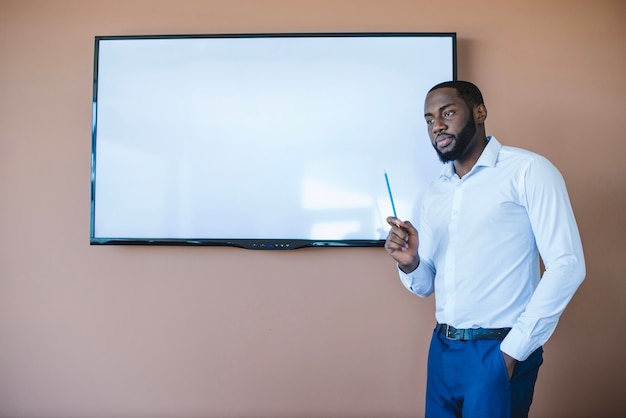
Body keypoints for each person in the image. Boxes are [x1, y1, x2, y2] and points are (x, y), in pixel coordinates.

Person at [384, 80, 585, 418]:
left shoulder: (528, 171)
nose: (437, 126)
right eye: (429, 119)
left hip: (499, 347)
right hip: (443, 349)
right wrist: (411, 263)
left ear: (479, 112)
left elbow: (568, 265)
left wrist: (513, 352)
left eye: (448, 112)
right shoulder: (435, 192)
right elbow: (425, 286)